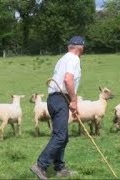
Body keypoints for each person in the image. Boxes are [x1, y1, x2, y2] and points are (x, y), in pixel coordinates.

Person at [30, 36, 84, 179]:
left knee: (62, 136)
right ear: (80, 47)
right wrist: (73, 100)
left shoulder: (63, 59)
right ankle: (40, 165)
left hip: (54, 99)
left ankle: (60, 168)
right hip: (61, 98)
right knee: (60, 136)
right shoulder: (74, 59)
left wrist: (71, 102)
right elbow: (68, 79)